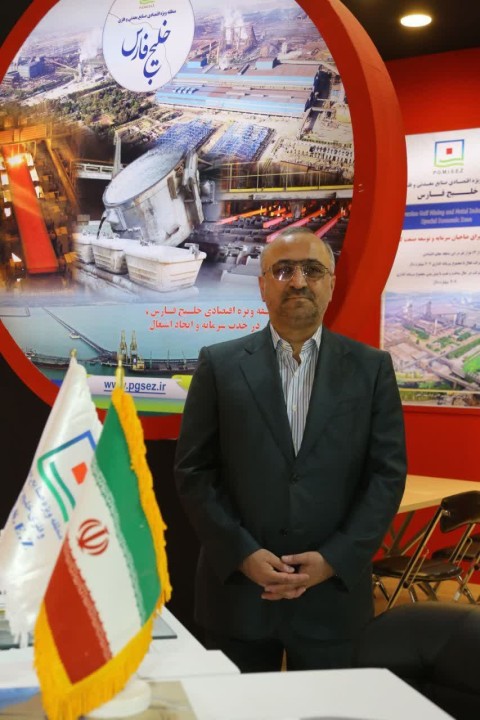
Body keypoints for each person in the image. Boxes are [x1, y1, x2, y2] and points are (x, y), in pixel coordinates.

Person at [174, 227, 406, 672]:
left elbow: (386, 475)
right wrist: (241, 553)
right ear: (262, 285)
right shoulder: (219, 365)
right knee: (236, 707)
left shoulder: (372, 369)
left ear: (331, 283)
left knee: (326, 707)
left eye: (312, 270)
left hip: (332, 599)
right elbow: (194, 472)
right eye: (283, 271)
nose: (298, 281)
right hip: (238, 597)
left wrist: (335, 559)